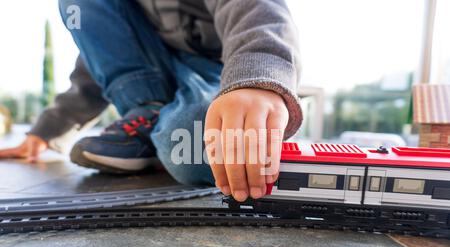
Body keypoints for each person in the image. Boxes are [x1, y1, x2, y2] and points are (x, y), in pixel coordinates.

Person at [0, 0, 302, 202]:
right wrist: (48, 130)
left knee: (189, 148)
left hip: (219, 75)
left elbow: (255, 9)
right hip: (152, 77)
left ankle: (154, 133)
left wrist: (254, 78)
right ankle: (149, 111)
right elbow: (100, 60)